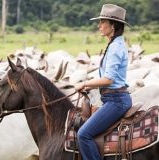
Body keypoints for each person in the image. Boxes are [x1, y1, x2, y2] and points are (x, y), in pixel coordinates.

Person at [74, 4, 132, 160]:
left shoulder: (115, 47)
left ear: (112, 25)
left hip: (116, 101)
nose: (99, 25)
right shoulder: (115, 44)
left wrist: (85, 83)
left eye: (102, 22)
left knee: (84, 134)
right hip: (112, 99)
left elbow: (108, 79)